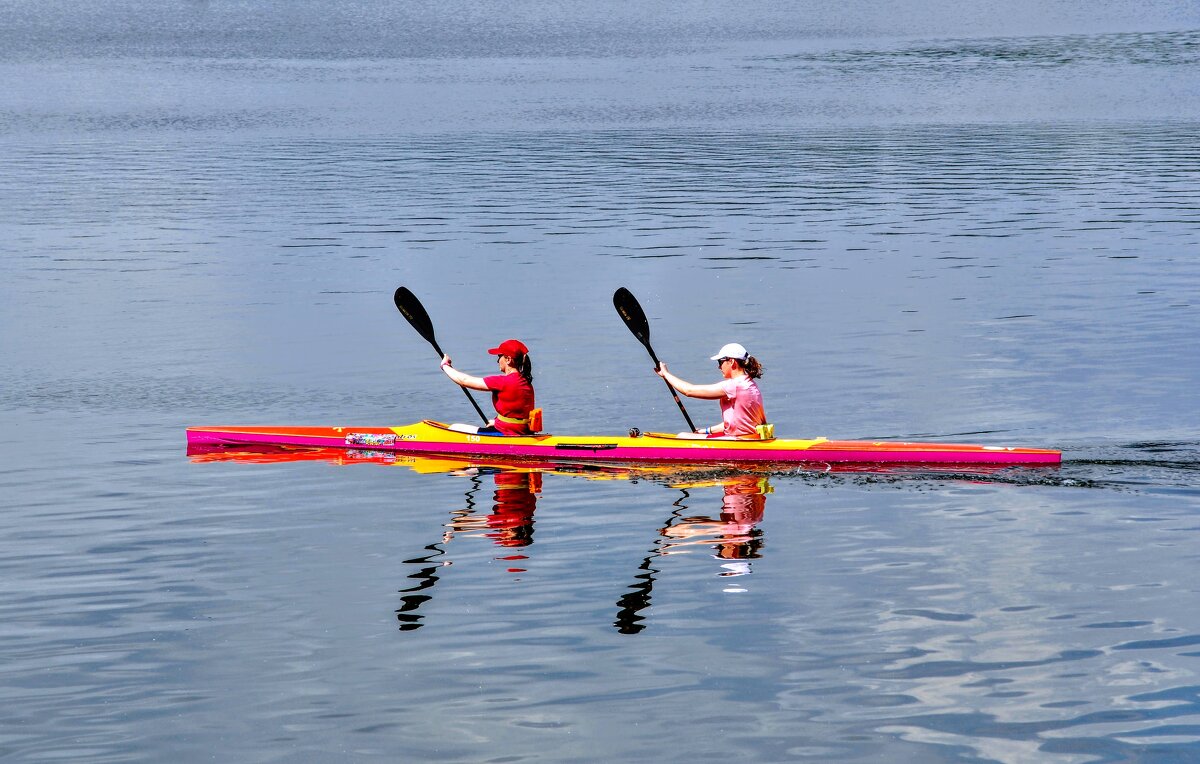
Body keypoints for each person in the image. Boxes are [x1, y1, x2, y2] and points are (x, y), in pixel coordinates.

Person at [655, 342, 766, 438]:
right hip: (751, 438)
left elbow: (688, 391)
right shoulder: (751, 384)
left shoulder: (734, 386)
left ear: (731, 362)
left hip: (738, 442)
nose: (719, 367)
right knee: (691, 436)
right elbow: (733, 422)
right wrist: (706, 431)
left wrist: (666, 374)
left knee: (682, 436)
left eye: (720, 362)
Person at [439, 339, 535, 435]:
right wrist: (497, 422)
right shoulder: (526, 382)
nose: (497, 361)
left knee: (455, 427)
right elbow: (516, 414)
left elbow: (463, 381)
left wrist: (445, 366)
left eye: (499, 356)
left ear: (508, 359)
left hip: (507, 433)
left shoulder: (502, 382)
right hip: (522, 432)